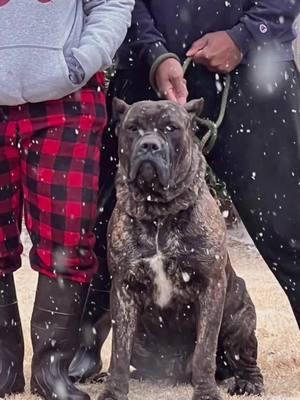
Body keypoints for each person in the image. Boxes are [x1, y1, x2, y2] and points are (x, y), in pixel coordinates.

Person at [70, 0, 300, 383]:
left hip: (258, 75)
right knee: (100, 224)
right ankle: (85, 345)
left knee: (289, 226)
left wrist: (243, 36)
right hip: (147, 72)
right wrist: (155, 52)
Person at [0, 1, 134, 399]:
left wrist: (77, 63)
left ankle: (52, 370)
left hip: (67, 99)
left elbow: (111, 4)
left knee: (66, 235)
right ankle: (3, 369)